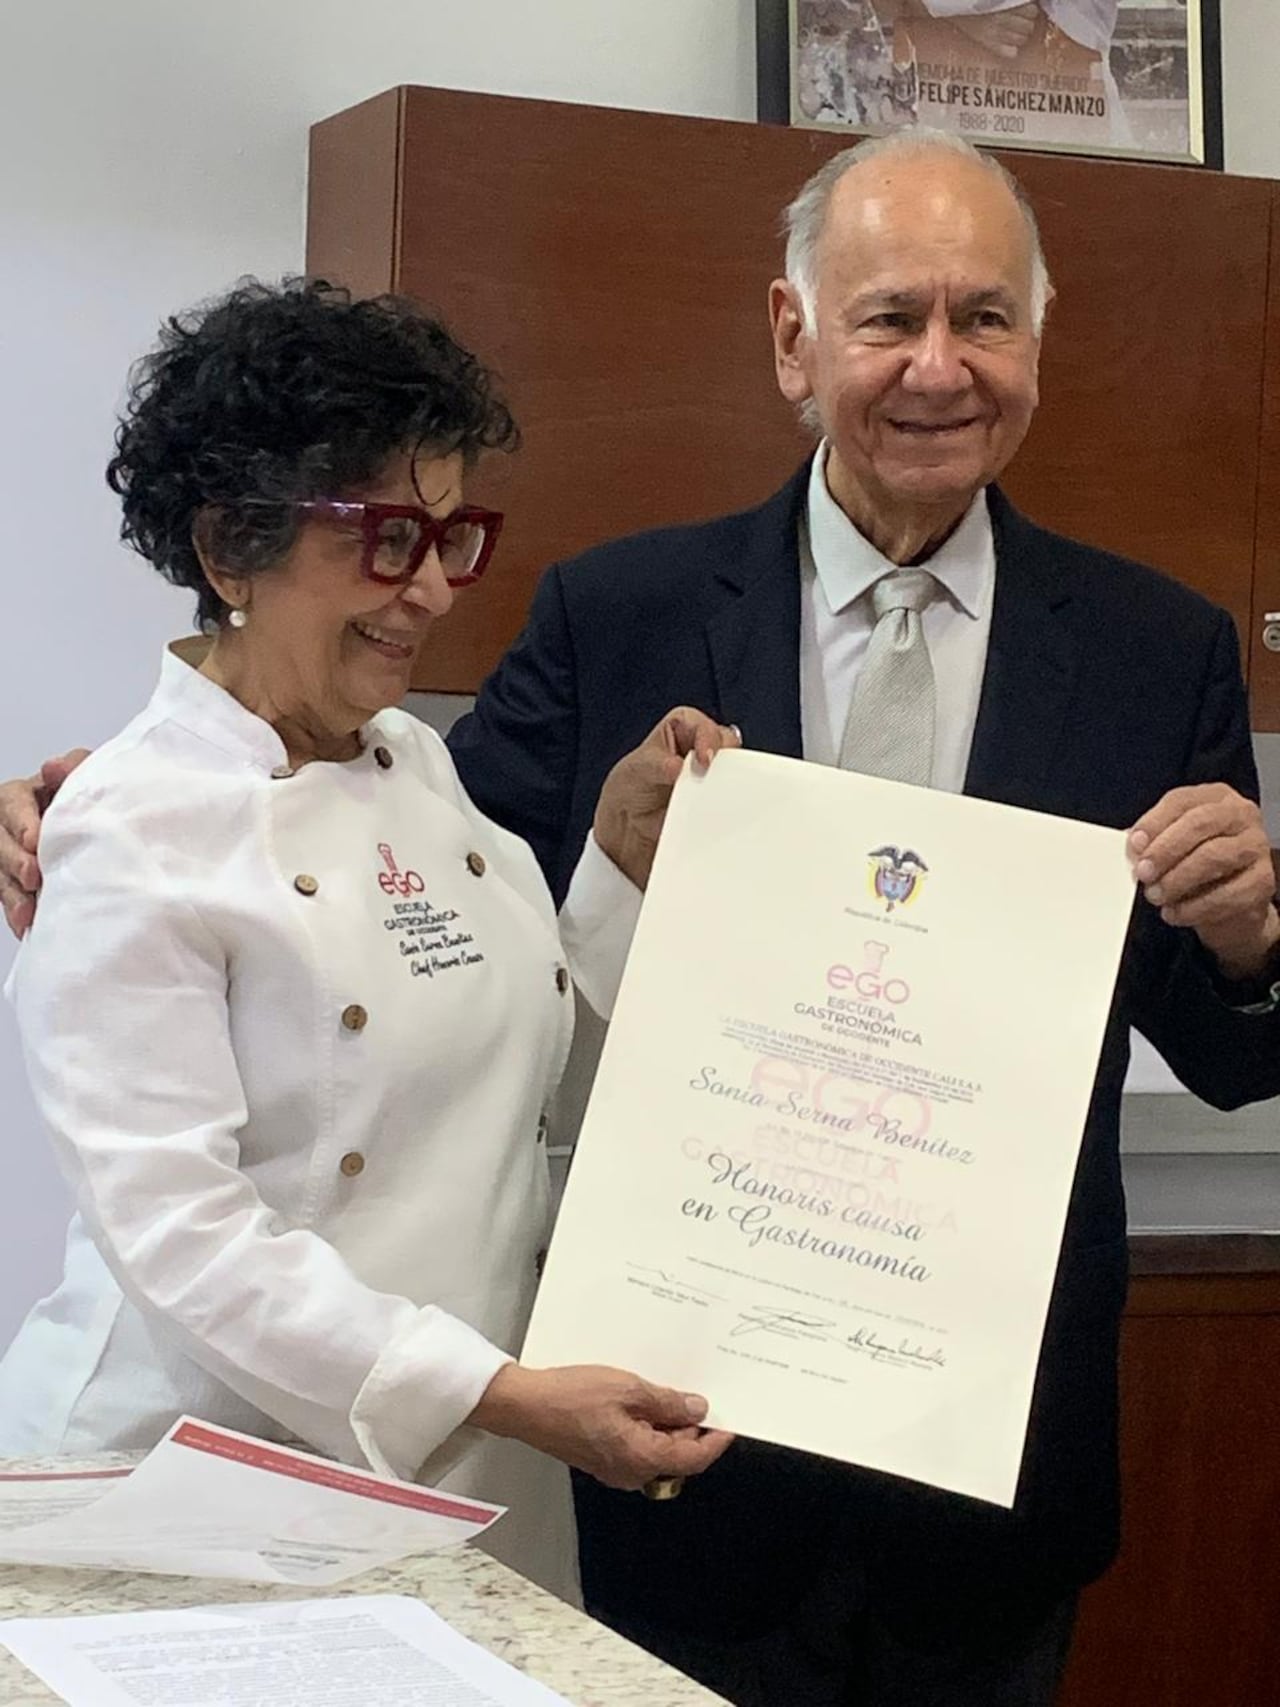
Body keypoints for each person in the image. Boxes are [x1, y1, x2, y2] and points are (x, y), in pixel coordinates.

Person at [4, 135, 1279, 1702]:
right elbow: (306, 966)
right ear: (792, 338)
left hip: (967, 1467)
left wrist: (1253, 933)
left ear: (1039, 337)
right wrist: (93, 797)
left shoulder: (1161, 652)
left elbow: (531, 1006)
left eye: (984, 317)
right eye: (888, 317)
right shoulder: (614, 611)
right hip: (627, 1453)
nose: (937, 367)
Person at [0, 278, 731, 1606]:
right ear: (231, 547)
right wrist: (501, 1392)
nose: (438, 591)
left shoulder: (415, 762)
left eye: (456, 538)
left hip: (450, 1473)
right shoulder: (132, 827)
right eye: (390, 541)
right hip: (191, 1492)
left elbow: (521, 1086)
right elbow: (186, 1238)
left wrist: (621, 868)